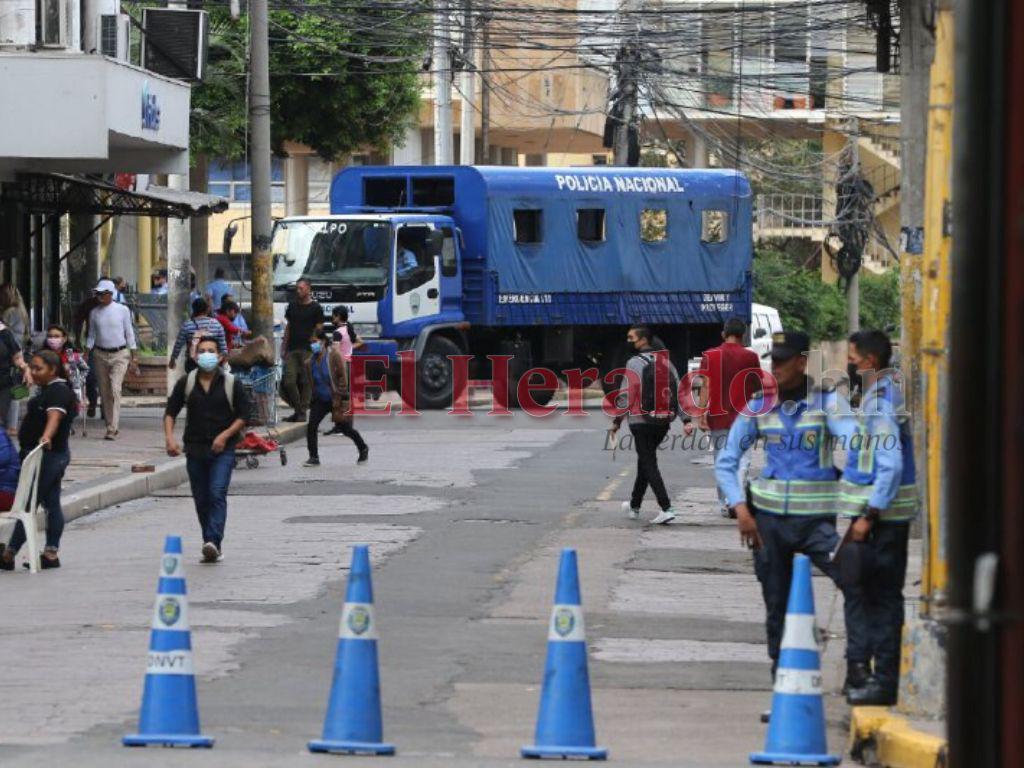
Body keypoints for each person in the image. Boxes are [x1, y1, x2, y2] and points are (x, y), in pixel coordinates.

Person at [714, 331, 849, 679]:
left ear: (802, 363)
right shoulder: (760, 405)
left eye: (782, 361)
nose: (775, 367)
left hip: (817, 522)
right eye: (772, 360)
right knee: (776, 603)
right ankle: (782, 677)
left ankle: (859, 665)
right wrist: (740, 507)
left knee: (855, 580)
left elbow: (858, 445)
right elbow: (728, 459)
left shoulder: (827, 403)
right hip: (769, 523)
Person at [838, 330, 915, 707]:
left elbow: (890, 464)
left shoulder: (881, 402)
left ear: (868, 361)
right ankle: (872, 675)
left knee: (881, 600)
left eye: (852, 357)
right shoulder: (879, 396)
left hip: (883, 520)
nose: (848, 364)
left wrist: (869, 515)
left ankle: (882, 683)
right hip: (883, 517)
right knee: (874, 596)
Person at [164, 336, 254, 563]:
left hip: (222, 450)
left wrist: (224, 436)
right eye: (202, 350)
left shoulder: (232, 383)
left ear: (220, 356)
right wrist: (169, 439)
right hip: (195, 448)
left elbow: (244, 415)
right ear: (195, 356)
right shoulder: (187, 382)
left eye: (211, 350)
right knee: (201, 498)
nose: (206, 354)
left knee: (216, 492)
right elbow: (170, 412)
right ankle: (210, 542)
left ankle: (213, 540)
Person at [0, 350, 77, 571]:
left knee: (28, 504)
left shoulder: (59, 391)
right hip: (41, 455)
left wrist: (46, 437)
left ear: (52, 370)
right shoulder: (45, 390)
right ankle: (50, 553)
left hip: (49, 456)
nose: (33, 372)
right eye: (31, 367)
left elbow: (55, 416)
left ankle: (9, 552)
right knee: (51, 503)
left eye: (38, 368)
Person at [610, 325, 685, 526]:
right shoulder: (666, 363)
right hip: (662, 421)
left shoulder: (633, 363)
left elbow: (627, 394)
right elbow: (679, 393)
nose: (629, 341)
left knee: (649, 462)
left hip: (640, 421)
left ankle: (666, 507)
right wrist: (685, 419)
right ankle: (634, 506)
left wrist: (617, 420)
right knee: (645, 461)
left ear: (643, 340)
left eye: (631, 337)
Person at [699, 317, 763, 518]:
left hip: (718, 417)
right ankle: (734, 500)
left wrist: (701, 413)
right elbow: (757, 389)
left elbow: (706, 386)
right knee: (742, 460)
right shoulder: (750, 357)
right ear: (743, 335)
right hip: (744, 417)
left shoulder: (710, 355)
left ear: (723, 334)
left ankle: (727, 501)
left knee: (721, 460)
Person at [304, 327, 368, 467]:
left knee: (345, 428)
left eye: (315, 341)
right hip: (320, 400)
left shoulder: (334, 356)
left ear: (323, 342)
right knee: (311, 427)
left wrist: (340, 396)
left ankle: (363, 448)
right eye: (311, 342)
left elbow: (342, 377)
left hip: (336, 398)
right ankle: (313, 457)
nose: (313, 345)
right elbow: (311, 382)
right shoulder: (309, 363)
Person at [85, 279, 140, 440]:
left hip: (120, 354)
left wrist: (134, 356)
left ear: (110, 294)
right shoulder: (94, 312)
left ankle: (113, 427)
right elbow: (91, 335)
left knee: (115, 388)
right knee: (105, 391)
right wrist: (86, 352)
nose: (99, 296)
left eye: (102, 293)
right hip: (100, 354)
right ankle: (109, 424)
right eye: (98, 294)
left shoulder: (122, 310)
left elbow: (129, 333)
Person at [281, 278, 324, 422]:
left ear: (308, 289)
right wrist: (283, 347)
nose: (298, 291)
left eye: (301, 288)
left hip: (308, 349)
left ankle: (301, 412)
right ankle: (299, 409)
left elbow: (319, 330)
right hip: (292, 349)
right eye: (297, 288)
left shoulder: (316, 308)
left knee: (306, 382)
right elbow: (288, 327)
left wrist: (316, 351)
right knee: (288, 381)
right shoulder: (292, 306)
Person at [323, 306, 365, 436]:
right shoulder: (348, 328)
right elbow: (360, 342)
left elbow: (335, 351)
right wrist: (349, 350)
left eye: (334, 316)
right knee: (346, 395)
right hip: (349, 363)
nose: (332, 318)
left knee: (338, 395)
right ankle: (346, 426)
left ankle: (341, 426)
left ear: (338, 317)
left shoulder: (337, 332)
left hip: (340, 365)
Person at [168, 298, 227, 373]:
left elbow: (178, 344)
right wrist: (220, 362)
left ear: (194, 310)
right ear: (207, 309)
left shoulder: (187, 325)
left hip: (193, 363)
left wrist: (173, 360)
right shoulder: (217, 324)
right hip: (213, 363)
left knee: (192, 382)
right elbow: (223, 349)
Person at [0, 284, 30, 432]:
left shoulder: (9, 313)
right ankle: (12, 424)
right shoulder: (22, 311)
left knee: (9, 387)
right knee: (16, 389)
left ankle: (10, 424)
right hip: (19, 350)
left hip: (8, 352)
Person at [44, 325, 89, 419]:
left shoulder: (72, 356)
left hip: (69, 389)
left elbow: (85, 369)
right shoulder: (42, 355)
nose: (52, 339)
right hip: (47, 389)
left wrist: (77, 380)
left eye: (56, 336)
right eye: (50, 336)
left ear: (64, 339)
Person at [73, 293, 101, 418]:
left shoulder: (117, 306)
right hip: (92, 347)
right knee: (90, 377)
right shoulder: (89, 304)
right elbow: (78, 322)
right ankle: (93, 402)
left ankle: (107, 408)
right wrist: (78, 341)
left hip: (111, 347)